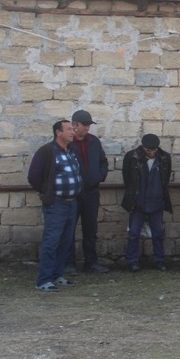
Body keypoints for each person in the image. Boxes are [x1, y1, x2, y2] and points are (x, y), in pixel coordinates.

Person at [27, 120, 83, 291]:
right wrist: (46, 193)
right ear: (58, 132)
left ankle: (57, 275)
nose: (73, 132)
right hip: (56, 204)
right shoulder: (47, 151)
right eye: (68, 129)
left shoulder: (72, 151)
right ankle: (44, 280)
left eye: (73, 129)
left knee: (65, 242)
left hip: (72, 203)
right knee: (51, 241)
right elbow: (34, 176)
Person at [121, 133, 172, 272]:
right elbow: (127, 178)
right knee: (134, 233)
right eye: (148, 150)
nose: (152, 152)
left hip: (156, 200)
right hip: (138, 201)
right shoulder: (132, 157)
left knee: (158, 233)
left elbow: (165, 179)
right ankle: (132, 261)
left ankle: (159, 260)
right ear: (143, 148)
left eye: (154, 149)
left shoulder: (164, 158)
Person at [66, 109, 109, 274]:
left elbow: (102, 161)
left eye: (89, 125)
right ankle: (68, 263)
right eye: (85, 125)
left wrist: (100, 176)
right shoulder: (68, 143)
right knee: (69, 229)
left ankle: (91, 262)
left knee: (90, 229)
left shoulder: (94, 142)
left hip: (91, 191)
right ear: (75, 125)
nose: (87, 128)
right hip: (72, 193)